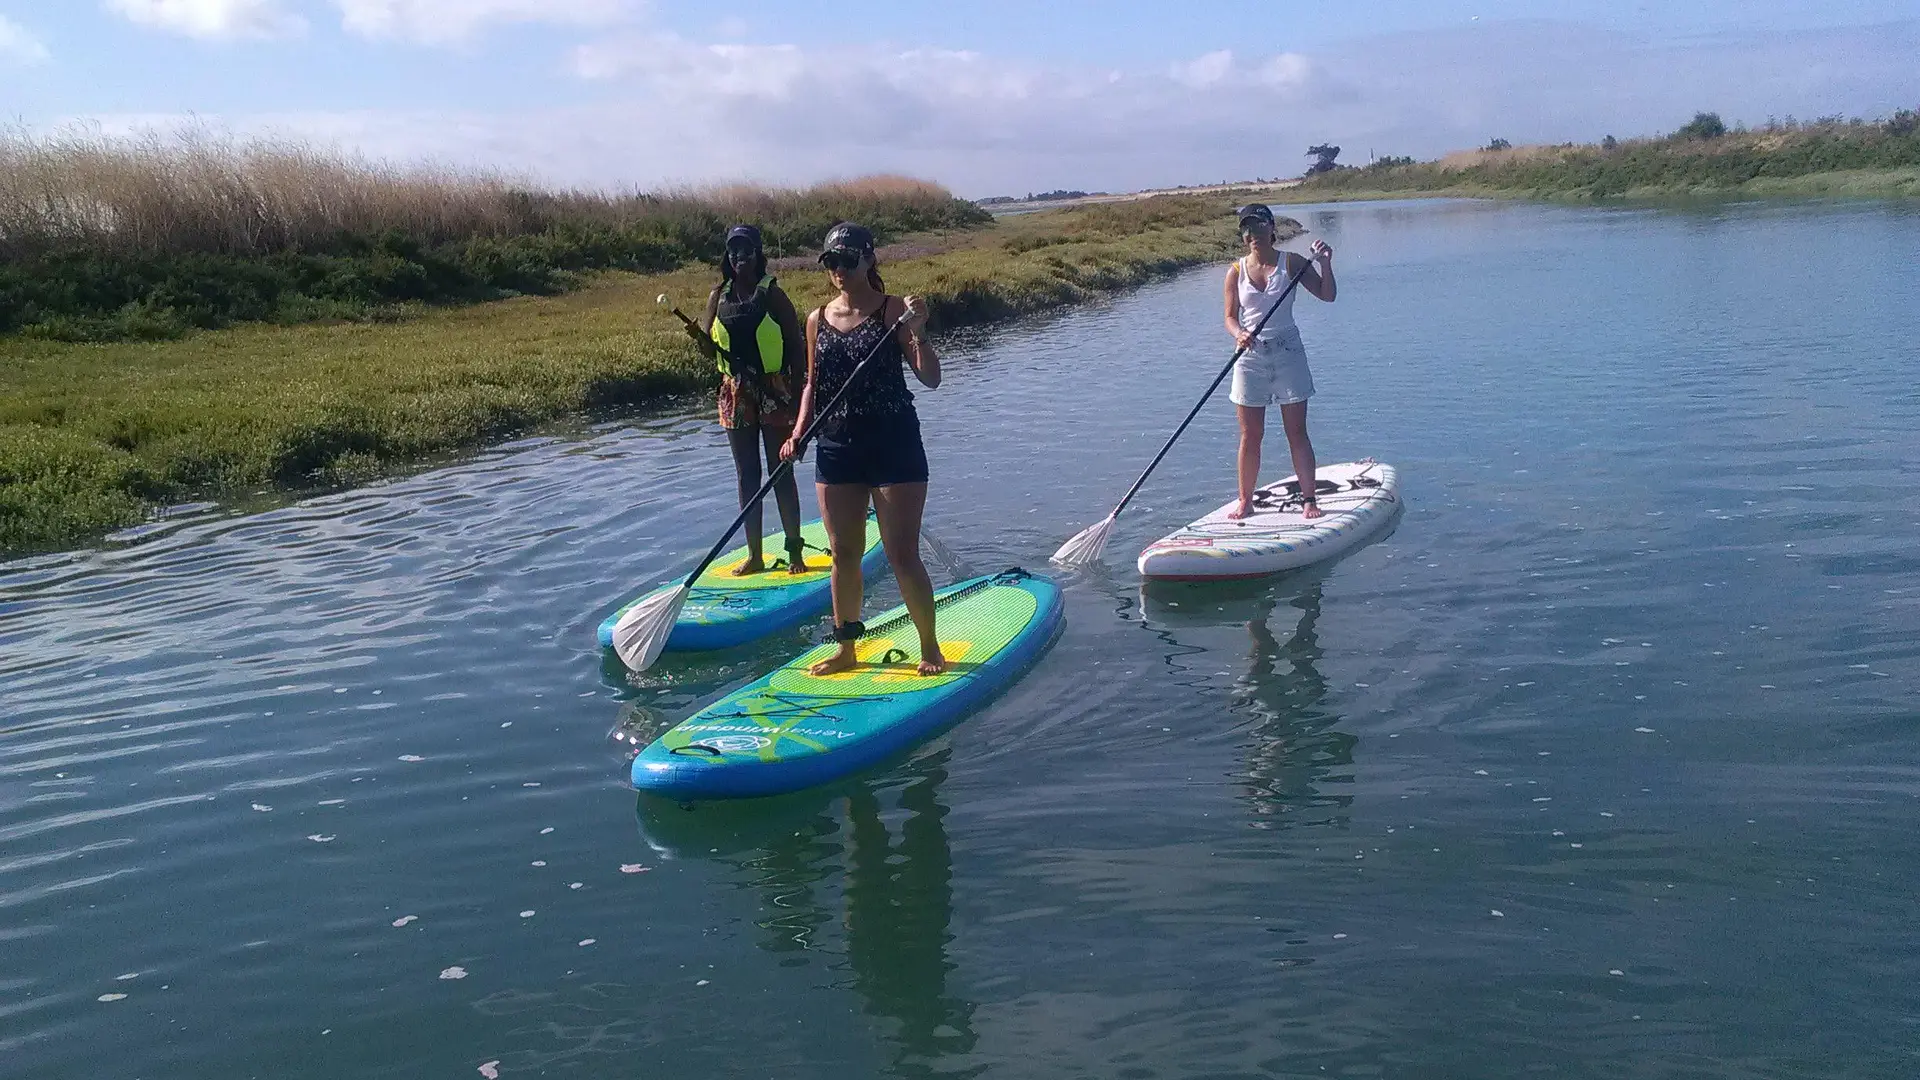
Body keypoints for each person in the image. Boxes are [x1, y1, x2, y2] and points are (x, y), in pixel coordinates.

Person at [780, 223, 945, 676]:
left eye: (847, 261)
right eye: (831, 262)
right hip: (836, 447)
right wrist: (798, 433)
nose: (838, 270)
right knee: (843, 553)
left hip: (894, 445)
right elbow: (814, 383)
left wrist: (920, 330)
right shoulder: (816, 318)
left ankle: (930, 648)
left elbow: (930, 377)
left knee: (901, 554)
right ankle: (847, 648)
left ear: (869, 260)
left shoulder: (895, 312)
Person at [690, 224, 809, 574]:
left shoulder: (773, 295)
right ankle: (754, 555)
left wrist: (798, 391)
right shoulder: (718, 295)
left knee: (780, 471)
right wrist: (699, 337)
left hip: (774, 389)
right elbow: (706, 344)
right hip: (735, 390)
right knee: (747, 475)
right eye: (733, 252)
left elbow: (797, 346)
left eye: (746, 251)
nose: (739, 257)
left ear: (758, 254)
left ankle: (795, 551)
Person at [1222, 204, 1336, 520]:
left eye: (1259, 228)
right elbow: (1230, 318)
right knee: (1250, 434)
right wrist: (1239, 332)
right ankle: (1245, 501)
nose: (1253, 235)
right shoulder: (1235, 271)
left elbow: (1328, 295)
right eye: (1247, 230)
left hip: (1288, 352)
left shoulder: (1294, 263)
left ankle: (1310, 500)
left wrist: (1326, 264)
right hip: (1249, 358)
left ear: (1272, 229)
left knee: (1296, 431)